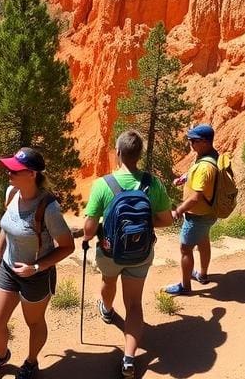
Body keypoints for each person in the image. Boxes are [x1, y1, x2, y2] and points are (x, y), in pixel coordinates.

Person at [82, 130, 174, 379]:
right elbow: (167, 220)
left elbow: (89, 230)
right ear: (139, 155)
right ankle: (129, 359)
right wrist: (142, 226)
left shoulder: (103, 185)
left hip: (110, 253)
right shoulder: (153, 184)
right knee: (134, 303)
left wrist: (98, 228)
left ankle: (108, 310)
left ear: (118, 153)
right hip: (141, 253)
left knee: (108, 282)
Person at [0, 147, 75, 379]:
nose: (9, 173)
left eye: (15, 170)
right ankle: (1, 354)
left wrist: (36, 267)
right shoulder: (12, 192)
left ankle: (31, 362)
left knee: (33, 323)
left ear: (32, 174)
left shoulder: (48, 208)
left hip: (36, 275)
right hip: (8, 268)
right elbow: (8, 227)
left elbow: (67, 246)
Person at [164, 124, 219, 296]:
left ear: (204, 142)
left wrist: (178, 211)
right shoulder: (209, 156)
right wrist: (185, 178)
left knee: (185, 249)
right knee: (203, 241)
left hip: (198, 216)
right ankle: (202, 274)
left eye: (193, 141)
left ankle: (185, 286)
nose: (190, 143)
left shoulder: (204, 167)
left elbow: (196, 197)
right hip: (208, 213)